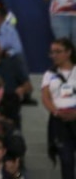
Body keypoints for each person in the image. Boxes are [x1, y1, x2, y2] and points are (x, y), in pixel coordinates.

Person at [42, 38, 76, 179]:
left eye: (58, 51)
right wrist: (55, 112)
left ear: (68, 52)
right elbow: (45, 97)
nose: (54, 55)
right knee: (66, 159)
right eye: (52, 52)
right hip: (59, 120)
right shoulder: (49, 74)